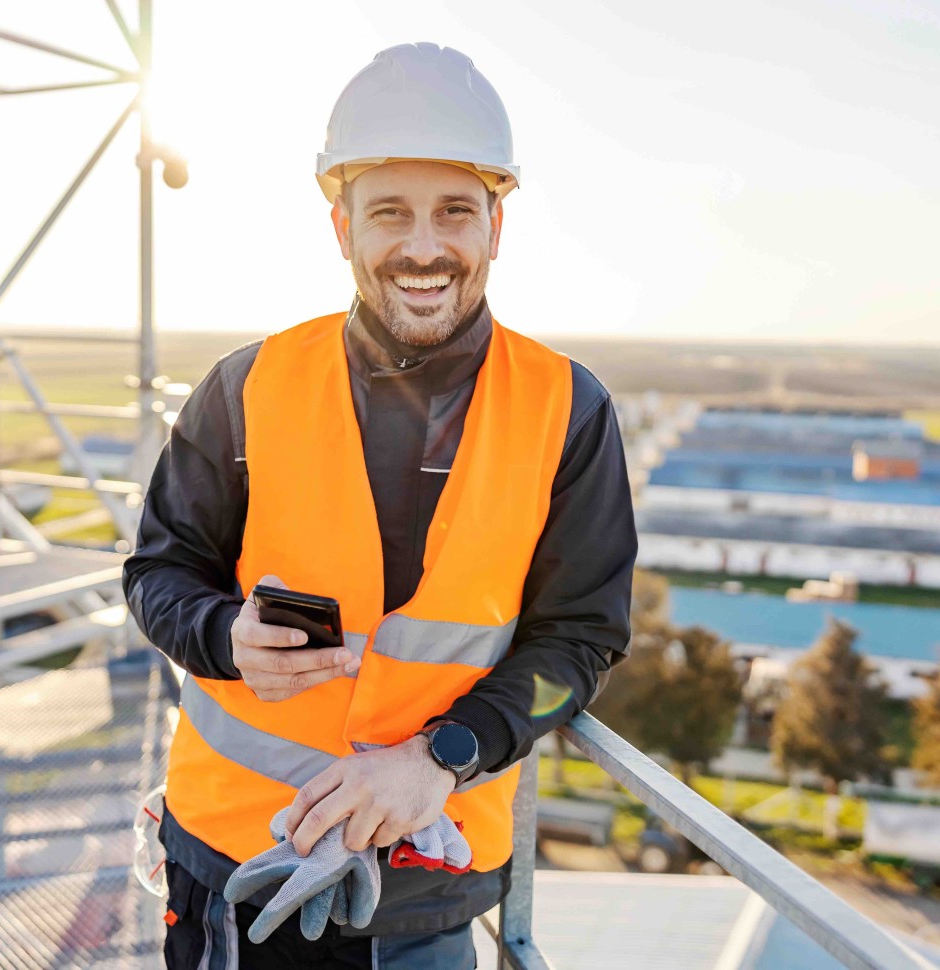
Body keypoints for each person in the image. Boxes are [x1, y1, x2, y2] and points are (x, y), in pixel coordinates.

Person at [122, 42, 637, 969]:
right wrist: (220, 635)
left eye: (455, 212)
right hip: (229, 864)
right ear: (342, 229)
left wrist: (442, 756)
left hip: (422, 893)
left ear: (495, 227)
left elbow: (581, 642)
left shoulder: (569, 411)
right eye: (390, 212)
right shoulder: (246, 388)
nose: (424, 247)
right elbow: (158, 572)